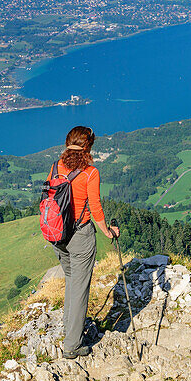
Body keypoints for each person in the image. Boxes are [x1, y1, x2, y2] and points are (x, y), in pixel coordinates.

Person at [51, 125, 119, 359]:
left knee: (72, 281)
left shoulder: (56, 167)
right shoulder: (90, 172)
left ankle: (69, 326)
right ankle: (72, 345)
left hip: (58, 234)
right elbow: (96, 208)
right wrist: (107, 232)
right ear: (88, 146)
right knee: (80, 289)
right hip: (80, 235)